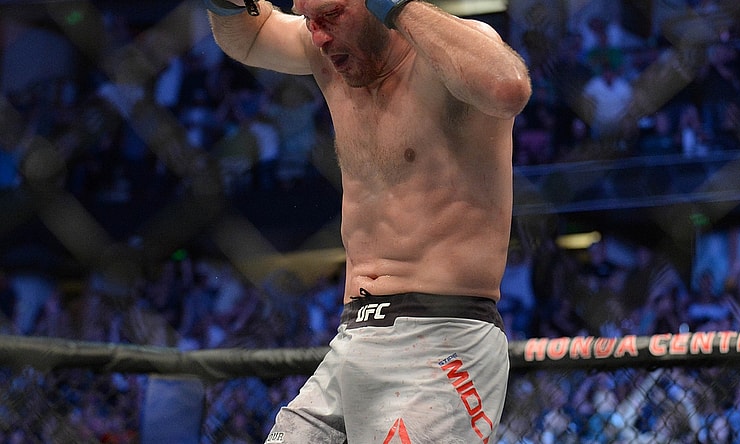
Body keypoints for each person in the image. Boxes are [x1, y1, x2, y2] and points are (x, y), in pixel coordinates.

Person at [202, 0, 531, 442]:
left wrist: (399, 7)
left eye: (331, 16)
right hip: (354, 334)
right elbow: (253, 37)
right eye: (309, 20)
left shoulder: (446, 57)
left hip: (445, 335)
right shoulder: (327, 53)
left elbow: (508, 88)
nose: (319, 36)